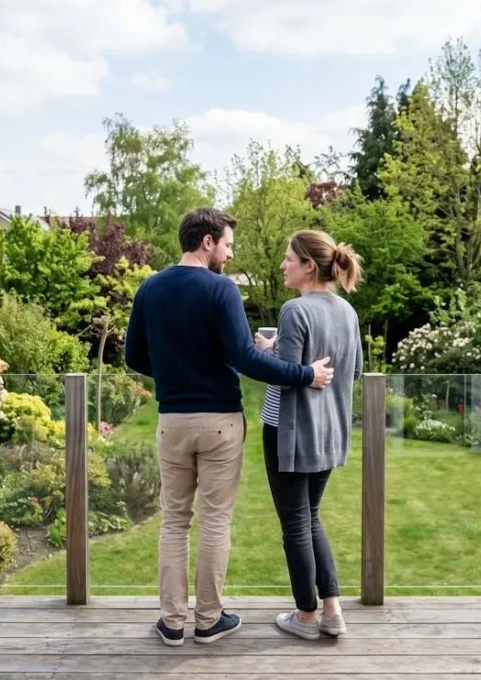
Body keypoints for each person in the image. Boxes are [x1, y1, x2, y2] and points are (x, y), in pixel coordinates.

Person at [124, 207, 335, 647]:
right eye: (227, 244)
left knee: (174, 522)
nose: (229, 253)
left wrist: (171, 373)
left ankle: (171, 623)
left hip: (172, 423)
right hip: (219, 421)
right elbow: (245, 357)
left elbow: (134, 358)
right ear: (207, 242)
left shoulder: (150, 288)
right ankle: (208, 621)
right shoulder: (220, 291)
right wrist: (305, 375)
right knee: (215, 521)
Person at [254, 230, 363, 641]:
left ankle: (305, 616)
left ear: (308, 266)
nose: (283, 265)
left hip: (290, 432)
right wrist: (275, 346)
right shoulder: (347, 313)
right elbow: (349, 372)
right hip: (329, 433)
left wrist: (265, 353)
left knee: (295, 524)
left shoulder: (294, 311)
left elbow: (286, 375)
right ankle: (331, 610)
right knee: (310, 517)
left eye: (288, 259)